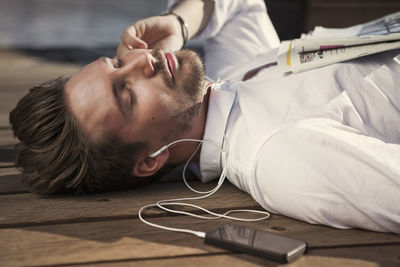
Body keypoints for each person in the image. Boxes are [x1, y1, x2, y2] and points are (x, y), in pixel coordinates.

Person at [9, 0, 400, 233]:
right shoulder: (279, 154)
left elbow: (239, 5)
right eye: (126, 94)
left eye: (115, 63)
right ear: (150, 160)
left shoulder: (226, 81)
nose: (141, 60)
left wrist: (178, 23)